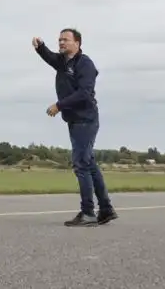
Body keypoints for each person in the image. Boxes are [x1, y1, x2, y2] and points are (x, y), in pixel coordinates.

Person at [33, 29, 117, 226]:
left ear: (77, 43)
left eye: (66, 40)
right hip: (74, 120)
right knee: (90, 165)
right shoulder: (63, 62)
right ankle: (105, 209)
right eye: (60, 40)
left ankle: (88, 213)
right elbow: (50, 57)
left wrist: (59, 105)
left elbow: (85, 93)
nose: (61, 43)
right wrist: (40, 47)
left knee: (81, 165)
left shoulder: (84, 64)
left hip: (85, 120)